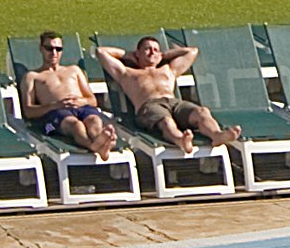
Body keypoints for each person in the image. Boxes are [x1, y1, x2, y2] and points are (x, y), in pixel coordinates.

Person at [99, 34, 245, 152]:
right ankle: (180, 140)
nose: (152, 52)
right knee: (167, 121)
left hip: (174, 103)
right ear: (138, 53)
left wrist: (165, 55)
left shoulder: (169, 69)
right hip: (148, 107)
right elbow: (101, 52)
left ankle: (217, 135)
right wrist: (126, 55)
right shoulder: (127, 73)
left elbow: (192, 51)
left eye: (156, 50)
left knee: (202, 111)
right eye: (147, 49)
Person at [18, 34, 123, 160]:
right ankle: (97, 147)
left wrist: (81, 101)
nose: (54, 53)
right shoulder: (32, 76)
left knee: (94, 121)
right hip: (55, 113)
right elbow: (28, 111)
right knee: (76, 126)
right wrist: (56, 105)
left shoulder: (74, 70)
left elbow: (93, 100)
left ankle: (99, 142)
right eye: (49, 48)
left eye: (58, 49)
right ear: (41, 48)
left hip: (82, 108)